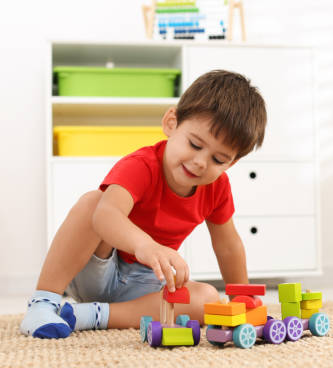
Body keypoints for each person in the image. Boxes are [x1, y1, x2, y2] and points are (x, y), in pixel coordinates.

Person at [20, 70, 267, 338]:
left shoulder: (218, 188)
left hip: (147, 285)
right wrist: (145, 246)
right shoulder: (142, 165)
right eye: (195, 144)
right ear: (171, 123)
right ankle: (43, 303)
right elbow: (106, 216)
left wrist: (242, 297)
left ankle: (89, 315)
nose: (200, 162)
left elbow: (228, 245)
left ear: (232, 162)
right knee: (94, 202)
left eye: (218, 160)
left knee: (207, 298)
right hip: (101, 267)